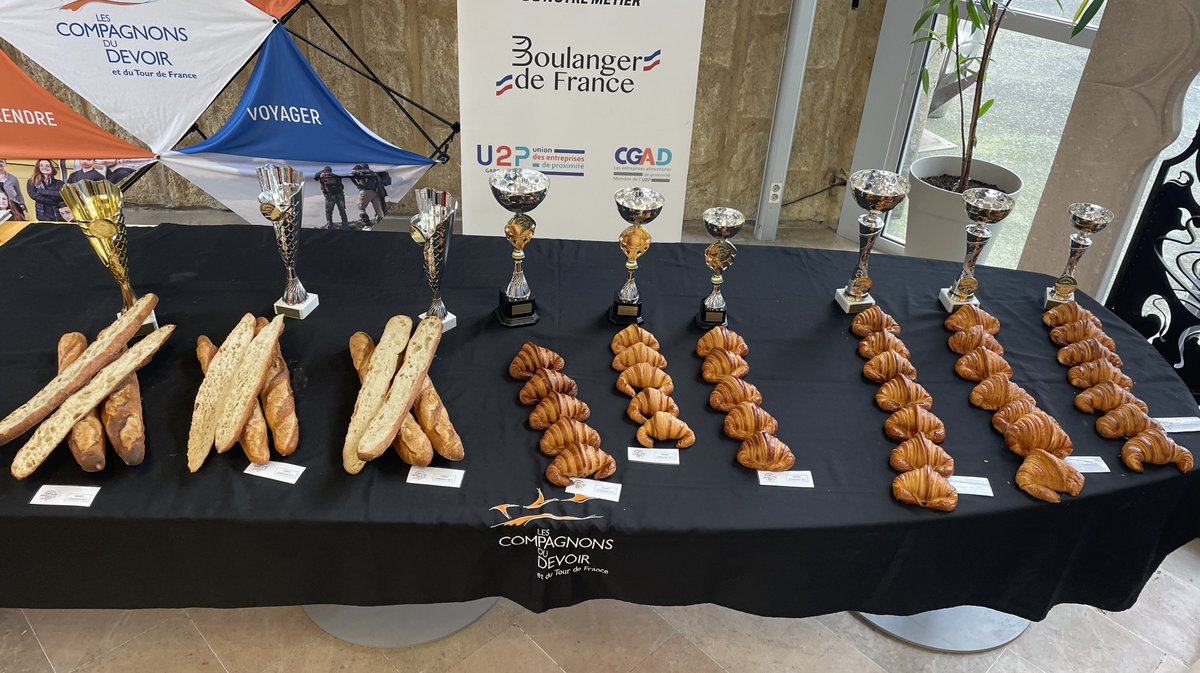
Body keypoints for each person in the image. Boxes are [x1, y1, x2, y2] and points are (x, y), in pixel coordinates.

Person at [350, 163, 385, 231]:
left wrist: (357, 184)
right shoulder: (374, 174)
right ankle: (380, 225)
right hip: (375, 193)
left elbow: (351, 175)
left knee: (361, 208)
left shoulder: (361, 173)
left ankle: (368, 225)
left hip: (365, 191)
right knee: (378, 210)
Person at [315, 165, 350, 231]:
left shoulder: (322, 175)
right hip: (340, 195)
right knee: (342, 211)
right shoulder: (335, 175)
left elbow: (315, 177)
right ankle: (345, 225)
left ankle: (330, 225)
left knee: (329, 212)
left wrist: (321, 171)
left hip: (330, 196)